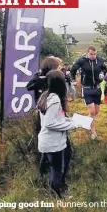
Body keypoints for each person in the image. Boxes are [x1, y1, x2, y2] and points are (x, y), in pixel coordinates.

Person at [37, 70, 83, 199]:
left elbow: (56, 119)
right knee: (57, 170)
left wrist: (71, 120)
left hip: (48, 141)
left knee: (53, 168)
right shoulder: (55, 100)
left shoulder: (46, 95)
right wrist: (72, 125)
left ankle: (51, 190)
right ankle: (56, 194)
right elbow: (50, 123)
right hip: (53, 143)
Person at [70, 46, 107, 139]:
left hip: (97, 89)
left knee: (96, 112)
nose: (93, 56)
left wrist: (103, 74)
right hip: (87, 88)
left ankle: (82, 121)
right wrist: (72, 80)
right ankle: (93, 132)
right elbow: (73, 69)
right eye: (91, 54)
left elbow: (105, 69)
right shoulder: (82, 61)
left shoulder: (100, 60)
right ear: (87, 53)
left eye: (95, 54)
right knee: (92, 111)